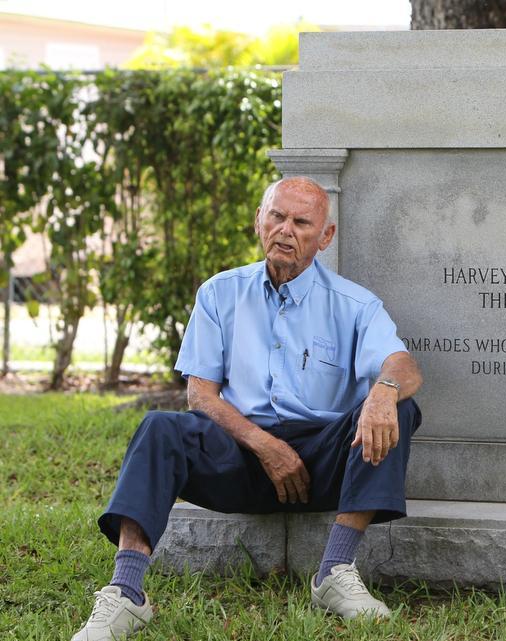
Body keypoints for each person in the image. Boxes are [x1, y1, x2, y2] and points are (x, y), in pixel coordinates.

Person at [72, 176, 423, 640]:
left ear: (325, 236)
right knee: (159, 427)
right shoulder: (219, 293)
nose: (286, 230)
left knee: (399, 407)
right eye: (277, 216)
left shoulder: (355, 305)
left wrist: (382, 392)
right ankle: (126, 593)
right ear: (259, 220)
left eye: (302, 222)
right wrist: (263, 445)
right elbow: (200, 394)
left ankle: (335, 571)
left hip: (319, 466)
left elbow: (404, 365)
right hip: (237, 454)